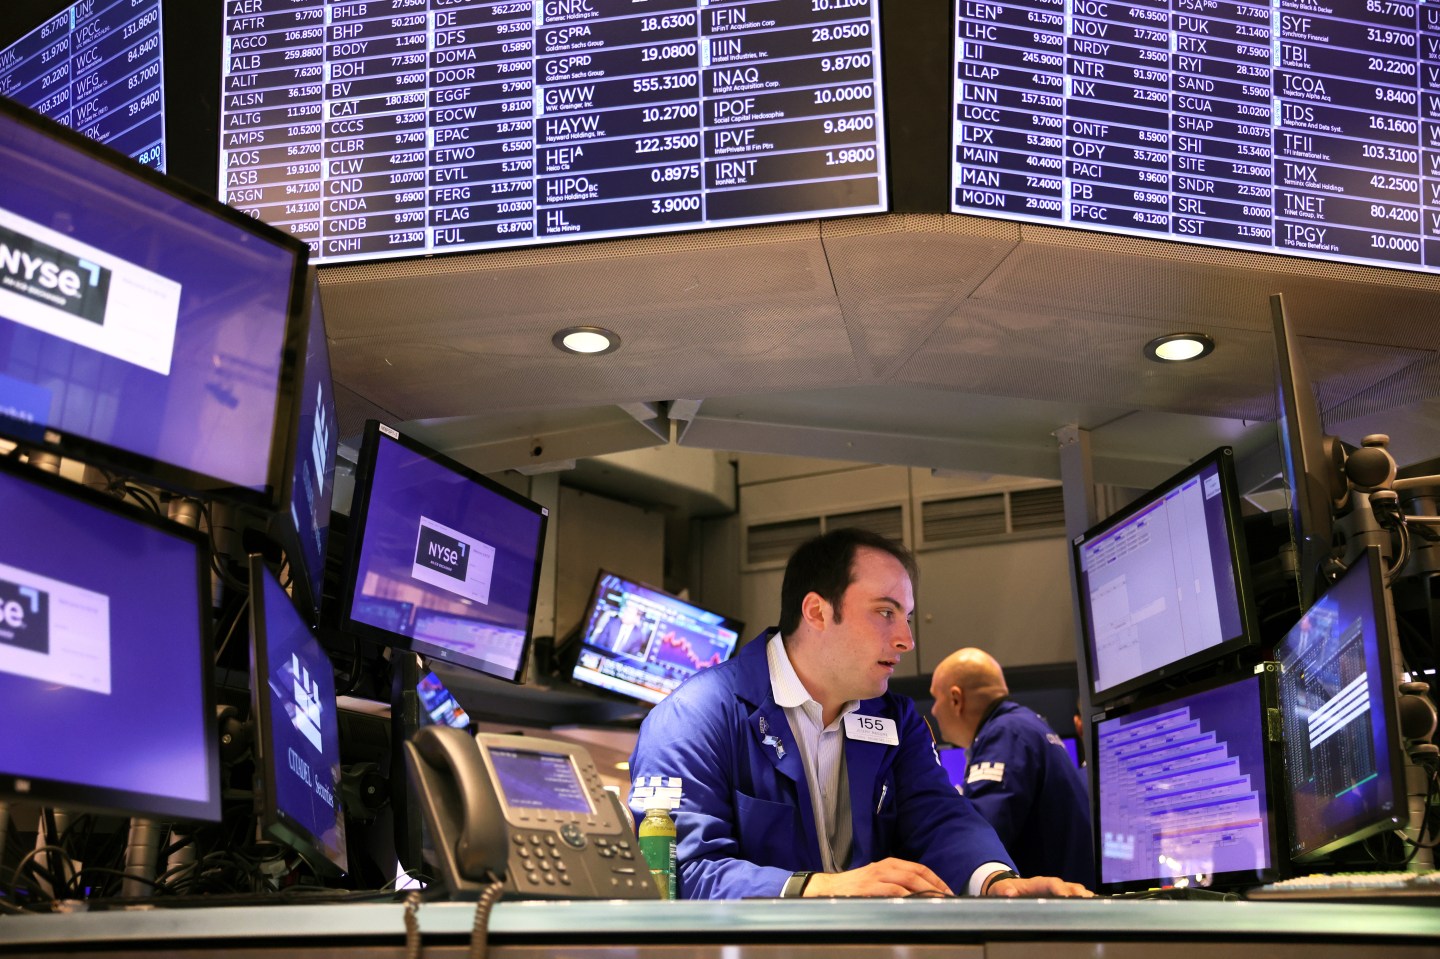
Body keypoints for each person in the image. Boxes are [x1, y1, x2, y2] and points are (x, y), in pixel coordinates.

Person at [627, 527, 1092, 900]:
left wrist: (996, 882)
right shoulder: (692, 719)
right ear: (816, 612)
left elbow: (940, 816)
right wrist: (821, 889)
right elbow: (677, 872)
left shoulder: (895, 718)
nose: (906, 640)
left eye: (907, 617)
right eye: (886, 612)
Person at [928, 649, 1096, 888]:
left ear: (956, 699)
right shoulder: (1026, 726)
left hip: (1049, 903)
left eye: (935, 698)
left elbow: (975, 837)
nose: (933, 710)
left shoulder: (1005, 735)